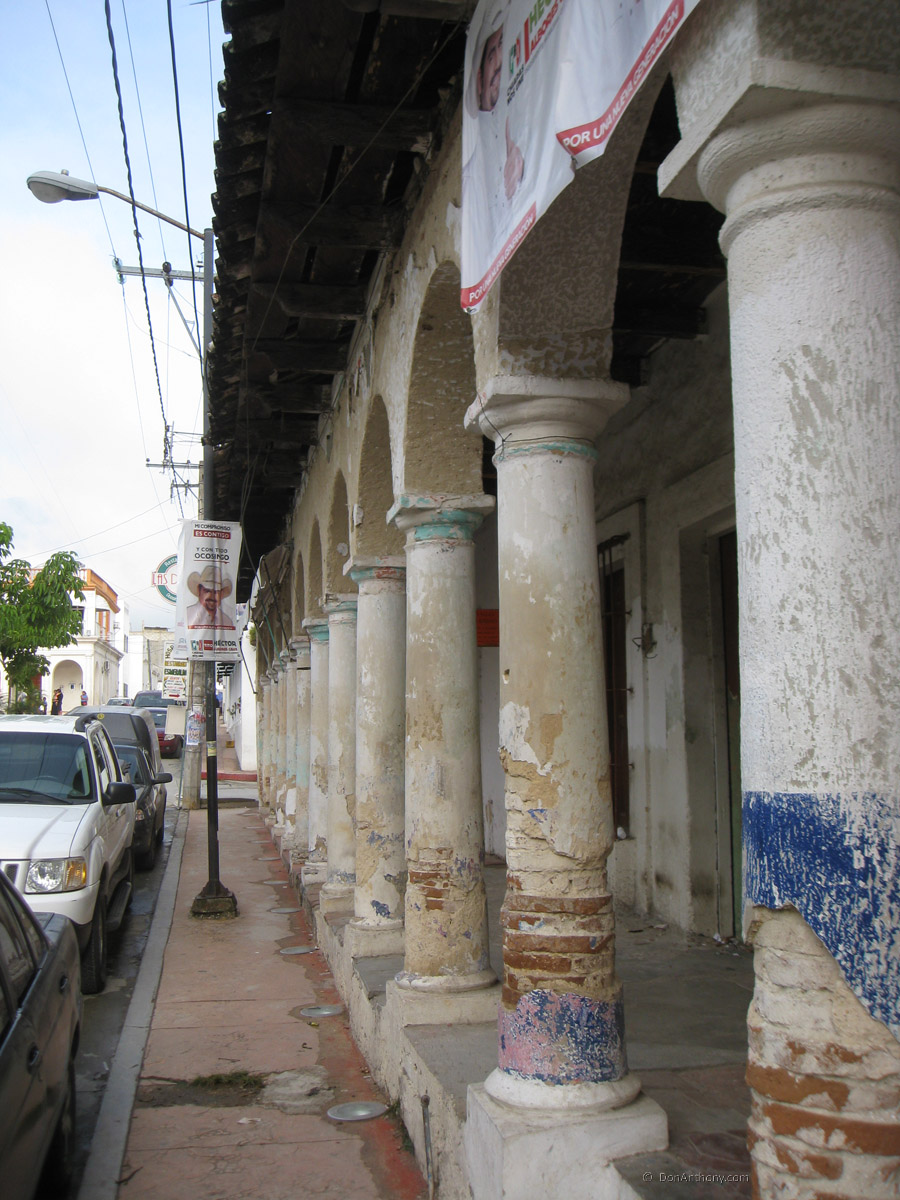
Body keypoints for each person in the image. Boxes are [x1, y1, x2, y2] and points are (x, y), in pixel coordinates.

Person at [461, 0, 526, 287]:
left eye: (502, 46)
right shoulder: (472, 174)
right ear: (478, 79)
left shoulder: (519, 128)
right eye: (491, 55)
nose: (499, 60)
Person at [186, 565, 236, 629]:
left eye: (216, 592)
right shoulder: (187, 616)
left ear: (221, 594)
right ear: (199, 590)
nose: (211, 596)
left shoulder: (227, 621)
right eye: (207, 591)